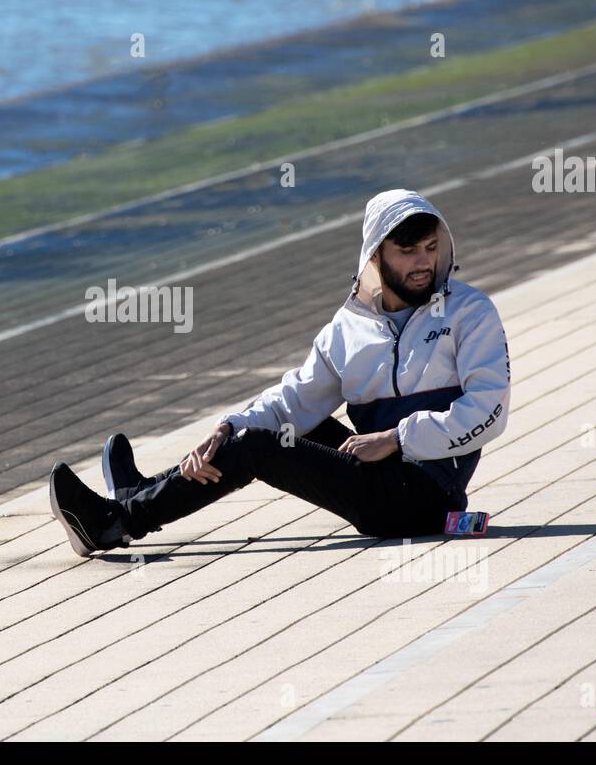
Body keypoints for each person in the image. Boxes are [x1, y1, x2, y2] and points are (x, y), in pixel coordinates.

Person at [48, 188, 511, 557]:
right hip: (377, 475)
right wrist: (227, 426)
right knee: (267, 427)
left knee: (257, 448)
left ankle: (117, 523)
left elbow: (489, 410)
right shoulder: (349, 330)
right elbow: (294, 400)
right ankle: (144, 492)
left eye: (431, 248)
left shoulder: (468, 312)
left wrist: (397, 438)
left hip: (423, 498)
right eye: (408, 251)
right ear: (375, 257)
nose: (424, 262)